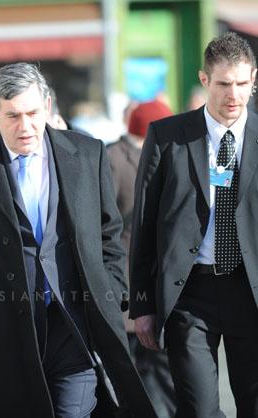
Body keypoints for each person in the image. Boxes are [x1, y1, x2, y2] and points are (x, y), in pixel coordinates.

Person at [0, 62, 155, 417]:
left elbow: (108, 234)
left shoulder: (87, 153)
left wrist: (110, 292)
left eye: (33, 113)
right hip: (4, 332)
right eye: (13, 116)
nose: (25, 126)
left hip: (74, 325)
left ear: (47, 107)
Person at [130, 31, 258, 417]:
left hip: (249, 289)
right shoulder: (168, 136)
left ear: (254, 79)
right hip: (190, 293)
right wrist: (142, 304)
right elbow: (145, 222)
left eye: (241, 84)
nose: (232, 95)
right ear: (204, 80)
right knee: (199, 409)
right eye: (222, 84)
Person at [107, 99, 176, 418]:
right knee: (132, 374)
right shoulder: (112, 158)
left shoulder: (169, 152)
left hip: (162, 282)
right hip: (126, 282)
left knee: (165, 375)